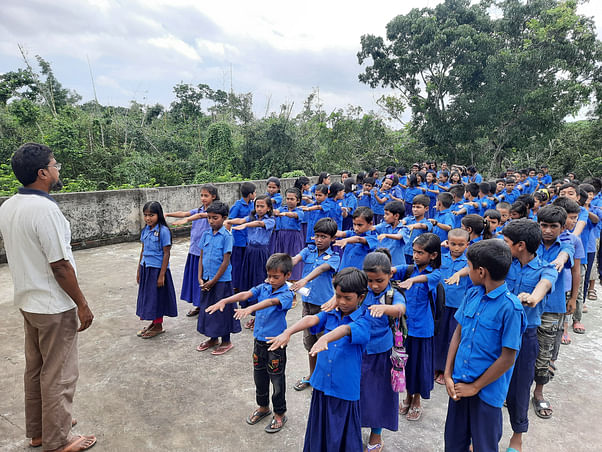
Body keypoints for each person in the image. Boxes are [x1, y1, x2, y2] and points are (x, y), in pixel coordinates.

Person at [0, 143, 96, 451]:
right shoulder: (45, 210)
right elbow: (60, 266)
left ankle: (40, 430)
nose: (58, 170)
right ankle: (58, 440)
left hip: (29, 302)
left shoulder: (9, 205)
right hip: (54, 306)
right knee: (60, 374)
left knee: (37, 369)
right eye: (55, 165)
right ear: (42, 173)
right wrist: (82, 304)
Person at [267, 268, 371, 452]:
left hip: (344, 391)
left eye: (348, 298)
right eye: (338, 296)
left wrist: (325, 338)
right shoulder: (332, 313)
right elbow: (311, 319)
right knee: (319, 433)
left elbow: (347, 330)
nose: (341, 302)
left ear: (361, 297)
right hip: (322, 385)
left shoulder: (364, 320)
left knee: (341, 436)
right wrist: (287, 332)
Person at [443, 240, 527, 452]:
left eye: (469, 266)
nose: (467, 270)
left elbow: (508, 358)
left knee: (484, 445)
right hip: (460, 385)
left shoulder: (511, 309)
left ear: (481, 272)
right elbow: (458, 333)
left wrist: (475, 386)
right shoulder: (473, 293)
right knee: (453, 443)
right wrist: (447, 374)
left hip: (487, 393)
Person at [207, 254, 294, 433]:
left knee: (277, 380)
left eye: (275, 277)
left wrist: (250, 308)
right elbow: (247, 293)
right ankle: (263, 407)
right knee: (259, 377)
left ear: (287, 275)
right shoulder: (264, 286)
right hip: (259, 342)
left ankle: (279, 413)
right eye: (269, 275)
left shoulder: (286, 293)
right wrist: (226, 300)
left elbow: (271, 302)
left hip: (276, 344)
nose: (270, 280)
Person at [502, 219, 557, 452]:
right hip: (498, 332)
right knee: (490, 384)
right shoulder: (504, 263)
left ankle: (517, 436)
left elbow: (543, 287)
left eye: (506, 242)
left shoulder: (546, 268)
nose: (503, 245)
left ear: (521, 245)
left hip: (525, 336)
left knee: (520, 388)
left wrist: (532, 297)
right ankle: (482, 432)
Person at [361, 250, 406, 451]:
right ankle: (354, 425)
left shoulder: (392, 295)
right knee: (359, 391)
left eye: (379, 280)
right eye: (370, 281)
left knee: (380, 394)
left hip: (382, 353)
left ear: (390, 275)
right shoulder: (361, 291)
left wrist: (384, 309)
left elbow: (400, 309)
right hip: (359, 349)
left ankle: (376, 433)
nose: (374, 285)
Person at [394, 233, 442, 421]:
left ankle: (416, 400)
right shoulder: (409, 269)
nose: (415, 256)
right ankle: (407, 395)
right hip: (405, 328)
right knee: (404, 364)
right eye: (414, 252)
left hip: (422, 329)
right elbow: (392, 269)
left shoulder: (434, 273)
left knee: (419, 367)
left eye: (420, 253)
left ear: (433, 255)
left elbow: (427, 279)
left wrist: (413, 280)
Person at [290, 218, 340, 391]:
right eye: (317, 236)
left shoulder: (334, 257)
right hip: (308, 305)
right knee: (309, 343)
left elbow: (320, 269)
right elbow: (295, 259)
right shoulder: (308, 250)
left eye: (324, 236)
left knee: (324, 344)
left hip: (324, 308)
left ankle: (324, 378)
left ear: (332, 238)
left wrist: (304, 279)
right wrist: (280, 267)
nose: (319, 240)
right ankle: (312, 375)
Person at [195, 201, 241, 355]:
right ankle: (213, 338)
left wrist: (213, 281)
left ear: (224, 218)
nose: (211, 221)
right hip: (207, 280)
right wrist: (200, 278)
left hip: (221, 281)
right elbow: (201, 257)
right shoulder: (206, 234)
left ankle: (226, 341)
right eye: (209, 218)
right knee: (209, 309)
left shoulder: (227, 236)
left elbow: (225, 261)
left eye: (215, 218)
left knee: (223, 310)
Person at [166, 184, 218, 316]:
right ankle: (199, 305)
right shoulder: (199, 209)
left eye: (206, 195)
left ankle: (207, 305)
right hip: (194, 250)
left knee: (205, 279)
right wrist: (168, 214)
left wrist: (187, 220)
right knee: (195, 280)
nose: (203, 198)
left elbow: (200, 216)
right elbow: (184, 213)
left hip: (206, 252)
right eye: (201, 195)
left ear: (213, 197)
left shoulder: (213, 213)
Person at [227, 195, 275, 329]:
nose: (259, 209)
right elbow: (241, 219)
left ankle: (260, 315)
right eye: (257, 206)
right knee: (249, 281)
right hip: (249, 252)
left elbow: (259, 224)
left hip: (261, 253)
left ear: (268, 208)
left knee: (260, 281)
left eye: (262, 206)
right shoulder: (251, 217)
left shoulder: (270, 220)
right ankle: (254, 313)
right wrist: (229, 221)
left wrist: (245, 225)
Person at [136, 201, 178, 338]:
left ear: (158, 215)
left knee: (157, 298)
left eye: (151, 215)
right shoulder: (145, 231)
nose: (148, 218)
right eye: (146, 215)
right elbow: (143, 250)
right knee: (149, 298)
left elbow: (166, 253)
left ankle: (158, 325)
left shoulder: (163, 231)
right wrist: (138, 270)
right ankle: (154, 323)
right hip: (146, 268)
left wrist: (161, 275)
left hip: (158, 270)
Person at [434, 229, 471, 385]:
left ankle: (446, 370)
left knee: (452, 338)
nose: (456, 248)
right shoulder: (442, 258)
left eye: (461, 245)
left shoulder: (469, 262)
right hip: (440, 305)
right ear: (447, 243)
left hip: (458, 307)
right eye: (453, 244)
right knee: (438, 336)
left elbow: (471, 269)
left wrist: (458, 274)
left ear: (467, 245)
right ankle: (436, 366)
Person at [272, 187, 305, 280]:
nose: (289, 201)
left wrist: (286, 214)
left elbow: (294, 215)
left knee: (293, 259)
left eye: (292, 199)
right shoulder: (282, 209)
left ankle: (293, 281)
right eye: (287, 198)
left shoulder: (299, 211)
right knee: (280, 259)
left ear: (297, 200)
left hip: (293, 238)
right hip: (282, 237)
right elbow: (275, 211)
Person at [228, 182, 256, 292]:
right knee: (237, 264)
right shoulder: (237, 206)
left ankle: (244, 284)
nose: (255, 194)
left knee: (246, 264)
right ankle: (235, 286)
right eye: (254, 192)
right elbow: (230, 220)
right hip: (238, 240)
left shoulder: (253, 205)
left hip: (249, 239)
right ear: (249, 194)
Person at [335, 206, 378, 270]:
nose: (356, 228)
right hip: (343, 272)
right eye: (354, 224)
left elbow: (358, 239)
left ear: (370, 223)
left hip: (358, 276)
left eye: (360, 225)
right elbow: (341, 233)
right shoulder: (352, 233)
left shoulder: (373, 237)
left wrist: (346, 240)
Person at [400, 194, 433, 264]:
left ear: (426, 208)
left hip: (417, 254)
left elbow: (422, 225)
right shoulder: (409, 219)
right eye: (413, 207)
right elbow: (403, 221)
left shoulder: (428, 223)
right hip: (404, 251)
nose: (415, 209)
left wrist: (413, 226)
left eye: (418, 207)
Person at [374, 200, 406, 266]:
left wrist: (386, 235)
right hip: (382, 264)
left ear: (396, 216)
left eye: (387, 214)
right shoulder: (383, 225)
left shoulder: (403, 229)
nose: (384, 216)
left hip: (396, 265)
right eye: (384, 214)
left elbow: (399, 236)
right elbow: (373, 228)